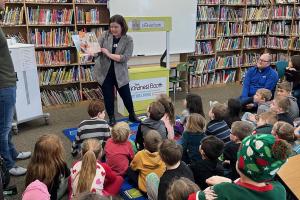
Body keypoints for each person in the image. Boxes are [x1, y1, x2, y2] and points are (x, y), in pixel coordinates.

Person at [188, 134, 292, 200]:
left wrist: (203, 194)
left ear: (241, 163)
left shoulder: (223, 190)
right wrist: (231, 183)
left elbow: (191, 198)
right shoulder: (279, 190)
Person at [94, 14, 140, 126]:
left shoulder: (128, 39)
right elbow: (96, 49)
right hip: (105, 73)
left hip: (120, 74)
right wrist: (90, 51)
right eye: (111, 26)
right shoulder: (105, 35)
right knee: (108, 98)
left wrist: (108, 54)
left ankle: (132, 115)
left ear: (122, 27)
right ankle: (111, 117)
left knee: (126, 96)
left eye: (116, 27)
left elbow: (125, 57)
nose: (113, 29)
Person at [0, 26, 31, 176]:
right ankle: (8, 164)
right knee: (3, 128)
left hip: (7, 81)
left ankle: (12, 153)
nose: (5, 1)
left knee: (7, 123)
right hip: (3, 84)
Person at [25, 134, 70, 200]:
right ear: (57, 153)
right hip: (50, 197)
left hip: (35, 192)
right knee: (70, 179)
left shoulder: (33, 163)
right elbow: (68, 174)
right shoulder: (60, 164)